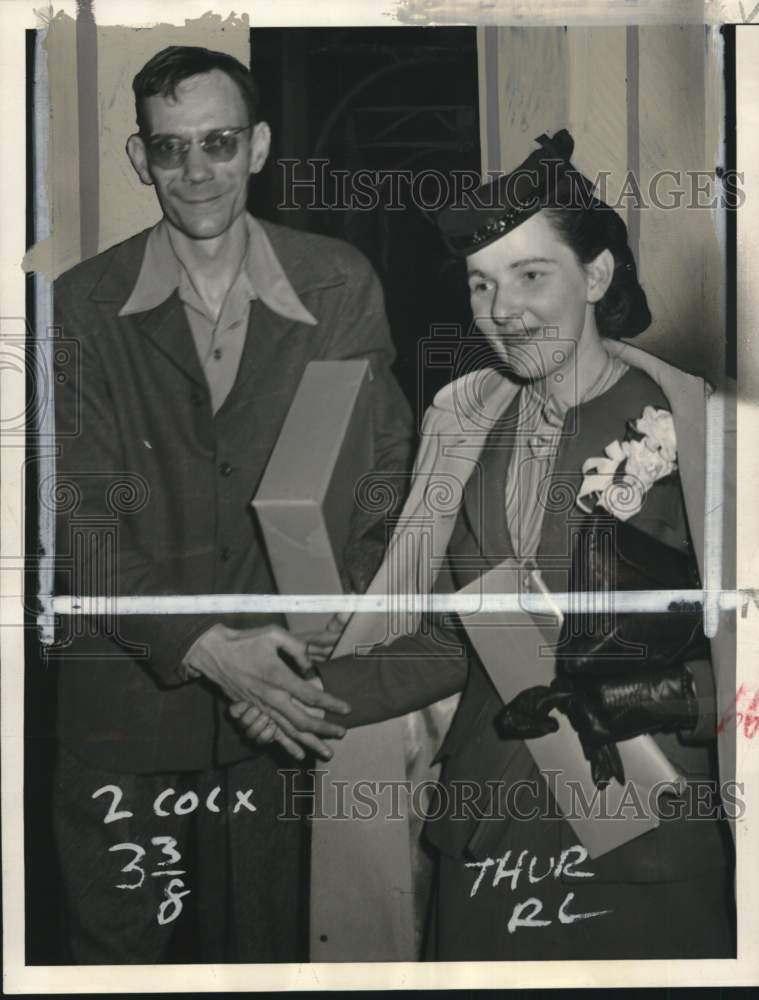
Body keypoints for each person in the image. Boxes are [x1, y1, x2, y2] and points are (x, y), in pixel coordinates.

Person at [233, 130, 736, 960]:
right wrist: (312, 693)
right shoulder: (469, 428)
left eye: (530, 276)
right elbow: (458, 640)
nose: (502, 310)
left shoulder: (698, 430)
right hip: (489, 833)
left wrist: (655, 695)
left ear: (596, 277)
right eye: (481, 284)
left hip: (646, 844)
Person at [50, 44, 412, 964]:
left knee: (269, 956)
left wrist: (314, 640)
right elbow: (75, 516)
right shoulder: (80, 305)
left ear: (257, 146)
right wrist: (208, 648)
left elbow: (379, 478)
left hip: (279, 715)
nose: (196, 170)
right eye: (169, 148)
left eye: (217, 142)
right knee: (123, 965)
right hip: (126, 713)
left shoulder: (337, 284)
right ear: (140, 160)